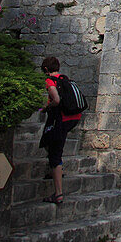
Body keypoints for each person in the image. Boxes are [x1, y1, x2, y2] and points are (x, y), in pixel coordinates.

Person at [39, 55, 82, 206]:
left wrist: (46, 108)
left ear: (45, 69)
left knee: (55, 152)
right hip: (73, 118)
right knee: (49, 142)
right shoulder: (64, 78)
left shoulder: (50, 80)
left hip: (61, 120)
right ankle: (56, 168)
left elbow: (56, 100)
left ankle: (58, 194)